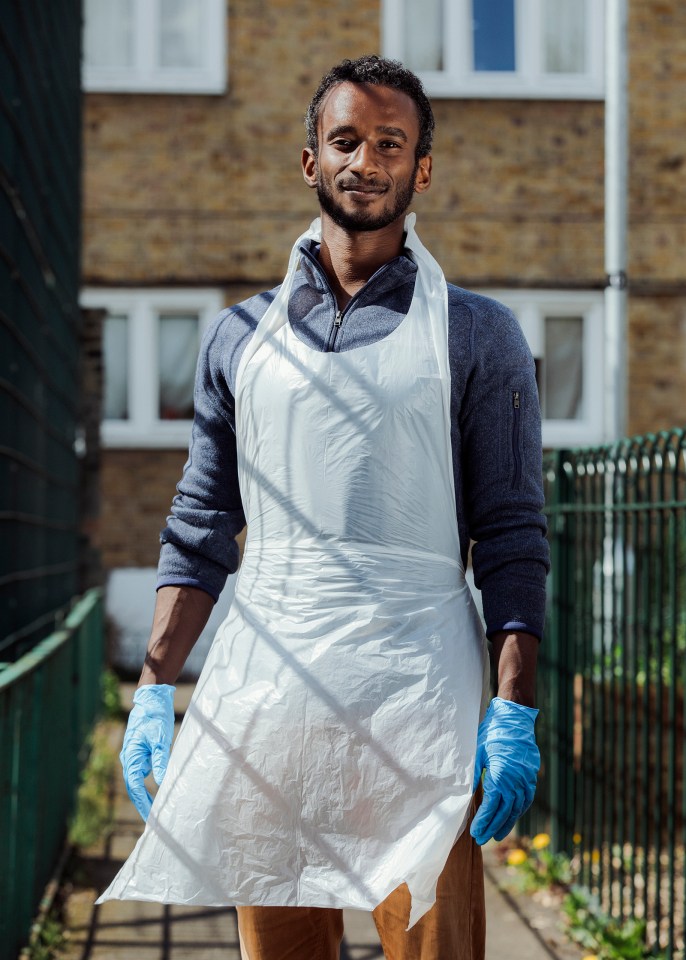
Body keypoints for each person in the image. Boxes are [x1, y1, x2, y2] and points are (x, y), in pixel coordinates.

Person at [97, 55, 550, 960]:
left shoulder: (477, 333)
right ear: (310, 161)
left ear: (421, 170)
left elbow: (510, 533)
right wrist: (154, 688)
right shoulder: (239, 338)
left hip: (420, 694)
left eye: (392, 142)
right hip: (271, 690)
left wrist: (513, 712)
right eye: (344, 140)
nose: (365, 160)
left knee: (433, 945)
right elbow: (199, 525)